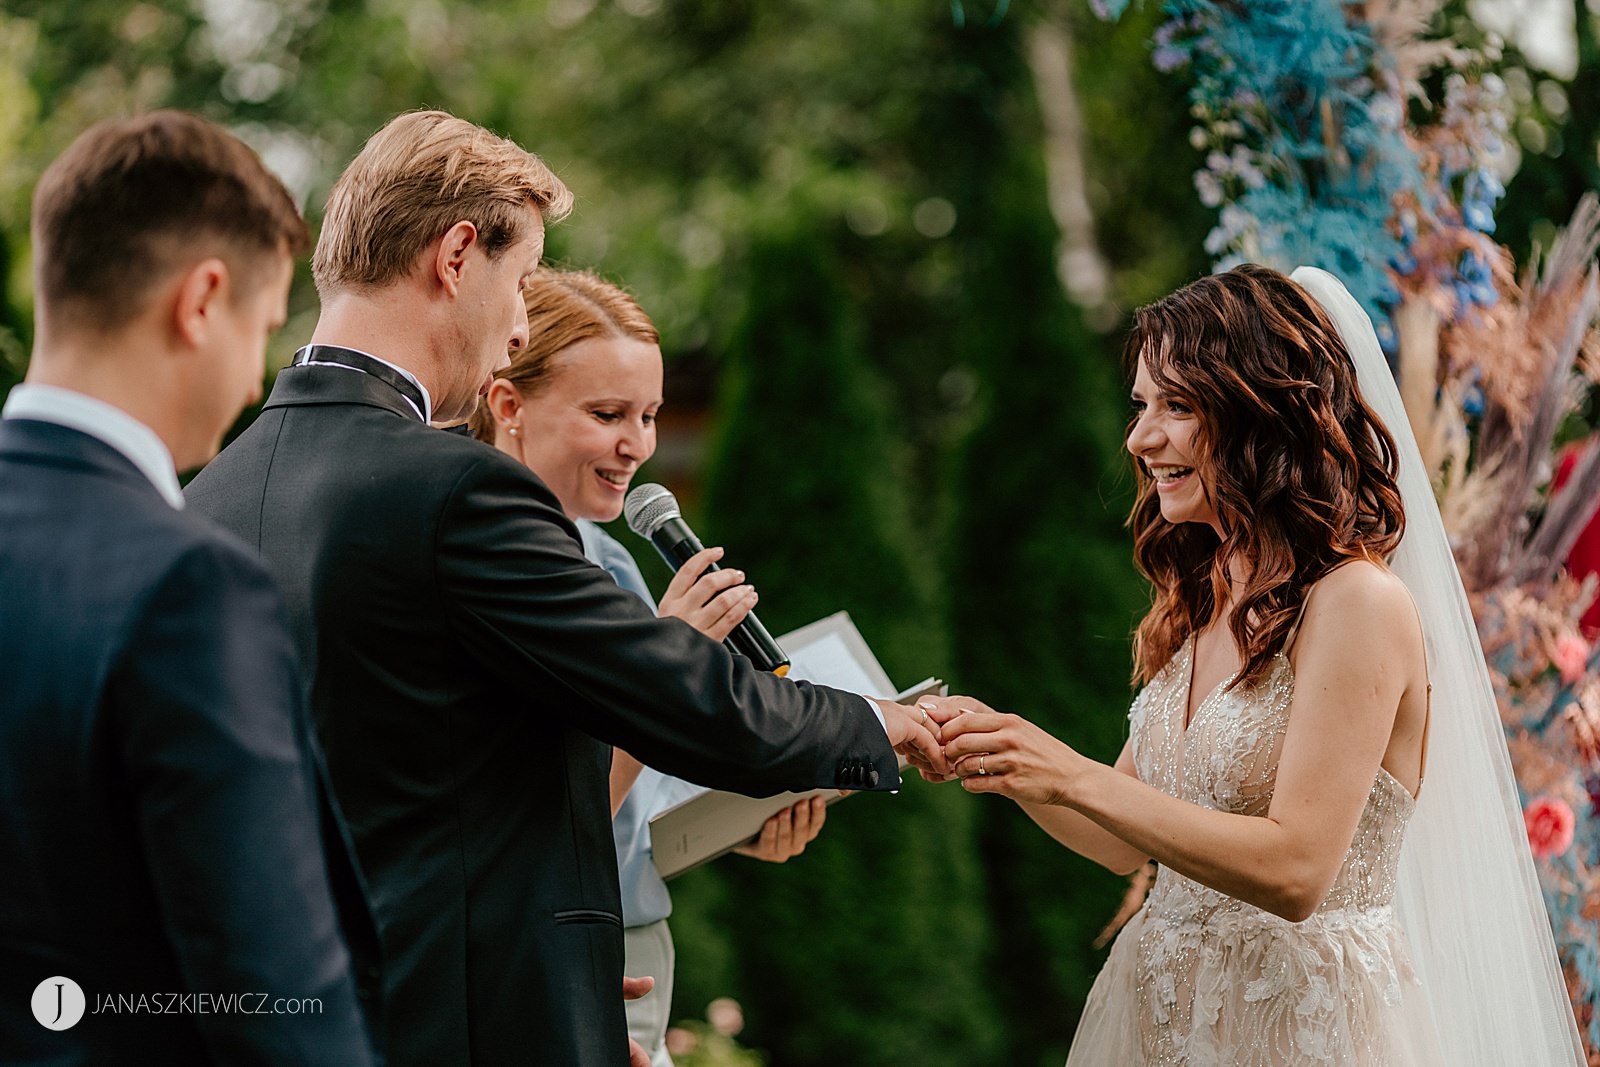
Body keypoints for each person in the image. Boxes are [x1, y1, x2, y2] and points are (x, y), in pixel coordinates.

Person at [184, 109, 948, 1067]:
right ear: (458, 255)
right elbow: (671, 689)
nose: (514, 328)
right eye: (520, 281)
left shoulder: (206, 496)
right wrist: (873, 722)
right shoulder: (454, 485)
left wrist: (566, 966)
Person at [933, 264, 1583, 1065]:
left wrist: (1070, 774)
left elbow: (1299, 867)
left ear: (1261, 413)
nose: (1140, 437)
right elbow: (1120, 842)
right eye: (1142, 405)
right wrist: (997, 750)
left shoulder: (1356, 603)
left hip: (1306, 1032)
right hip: (1160, 1022)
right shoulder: (1203, 596)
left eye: (1176, 405)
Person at [0, 111, 381, 1065]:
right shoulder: (187, 585)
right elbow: (278, 1006)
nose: (256, 378)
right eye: (262, 330)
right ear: (202, 299)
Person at [468, 267, 829, 1065]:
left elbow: (638, 805)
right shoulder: (480, 573)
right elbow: (527, 822)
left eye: (651, 415)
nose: (638, 445)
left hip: (637, 940)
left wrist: (739, 824)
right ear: (508, 404)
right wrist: (663, 671)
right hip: (539, 950)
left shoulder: (618, 565)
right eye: (607, 414)